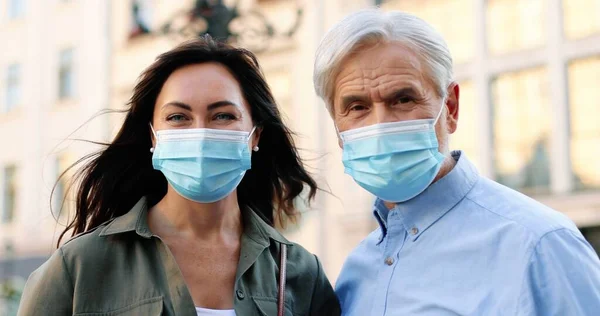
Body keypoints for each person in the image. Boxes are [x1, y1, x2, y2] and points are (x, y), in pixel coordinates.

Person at [18, 36, 340, 316]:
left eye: (223, 115)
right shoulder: (77, 268)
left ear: (255, 136)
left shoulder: (299, 274)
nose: (200, 132)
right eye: (177, 117)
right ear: (154, 137)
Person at [313, 9, 600, 315]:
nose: (381, 126)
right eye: (357, 107)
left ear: (450, 107)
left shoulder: (539, 247)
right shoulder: (356, 271)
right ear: (338, 129)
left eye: (403, 99)